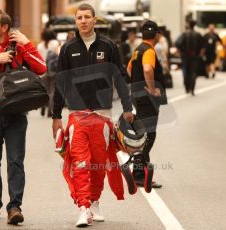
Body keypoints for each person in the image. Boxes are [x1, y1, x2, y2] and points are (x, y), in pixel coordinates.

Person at [51, 3, 134, 227]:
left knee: (99, 164)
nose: (84, 21)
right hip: (77, 115)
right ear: (75, 21)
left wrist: (128, 108)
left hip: (102, 115)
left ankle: (95, 202)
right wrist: (55, 116)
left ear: (94, 20)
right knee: (80, 163)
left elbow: (120, 79)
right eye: (79, 17)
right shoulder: (68, 49)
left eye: (87, 17)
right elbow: (60, 84)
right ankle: (83, 207)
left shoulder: (108, 46)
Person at [0, 9, 47, 225]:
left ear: (4, 27)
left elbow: (42, 68)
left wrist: (27, 43)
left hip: (15, 111)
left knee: (16, 161)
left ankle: (15, 207)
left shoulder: (20, 47)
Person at [127, 20, 166, 189]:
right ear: (157, 35)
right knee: (148, 135)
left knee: (143, 133)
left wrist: (136, 83)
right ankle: (139, 174)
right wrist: (151, 89)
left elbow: (129, 69)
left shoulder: (137, 50)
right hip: (147, 98)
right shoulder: (149, 51)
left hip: (137, 95)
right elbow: (148, 69)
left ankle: (141, 172)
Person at [175, 20, 205, 96]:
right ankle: (192, 89)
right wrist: (200, 54)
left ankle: (187, 87)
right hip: (195, 56)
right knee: (193, 72)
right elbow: (203, 46)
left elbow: (177, 43)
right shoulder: (198, 34)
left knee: (185, 72)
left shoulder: (184, 34)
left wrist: (180, 51)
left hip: (185, 56)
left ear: (189, 25)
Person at [37, 28, 59, 117]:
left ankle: (43, 106)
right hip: (53, 70)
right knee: (52, 90)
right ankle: (50, 110)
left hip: (42, 70)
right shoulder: (55, 43)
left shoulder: (40, 45)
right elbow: (58, 55)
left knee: (45, 90)